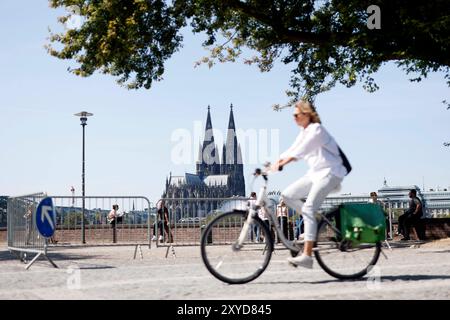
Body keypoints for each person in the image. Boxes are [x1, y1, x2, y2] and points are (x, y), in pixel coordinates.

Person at [271, 100, 349, 269]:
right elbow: (293, 148)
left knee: (307, 209)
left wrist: (282, 164)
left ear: (306, 114)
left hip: (331, 172)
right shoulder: (303, 131)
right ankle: (311, 223)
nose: (294, 118)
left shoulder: (316, 129)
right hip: (315, 173)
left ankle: (307, 256)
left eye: (296, 115)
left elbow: (301, 151)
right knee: (287, 195)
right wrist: (274, 162)